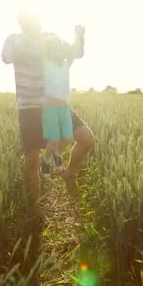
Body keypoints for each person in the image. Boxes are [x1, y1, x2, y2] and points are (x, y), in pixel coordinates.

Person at [1, 11, 94, 216]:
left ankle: (69, 172)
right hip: (29, 109)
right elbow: (6, 57)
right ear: (21, 23)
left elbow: (76, 52)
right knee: (33, 161)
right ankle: (37, 207)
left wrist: (80, 36)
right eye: (27, 21)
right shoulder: (14, 41)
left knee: (86, 138)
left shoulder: (50, 39)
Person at [41, 25, 86, 176]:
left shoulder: (66, 64)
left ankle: (56, 153)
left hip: (64, 108)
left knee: (67, 137)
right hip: (50, 108)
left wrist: (79, 35)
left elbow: (77, 52)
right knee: (53, 139)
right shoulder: (45, 65)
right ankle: (46, 162)